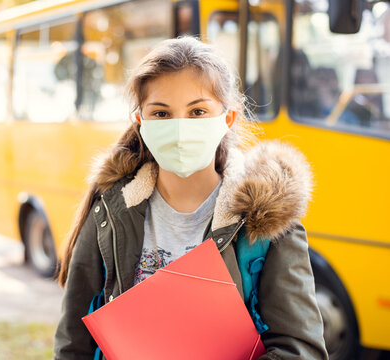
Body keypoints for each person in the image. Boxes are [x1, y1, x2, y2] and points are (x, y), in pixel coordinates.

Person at [53, 36, 328, 360]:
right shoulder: (108, 217)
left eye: (197, 111)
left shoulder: (269, 225)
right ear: (140, 121)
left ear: (227, 119)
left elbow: (301, 351)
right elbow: (73, 345)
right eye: (162, 113)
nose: (180, 127)